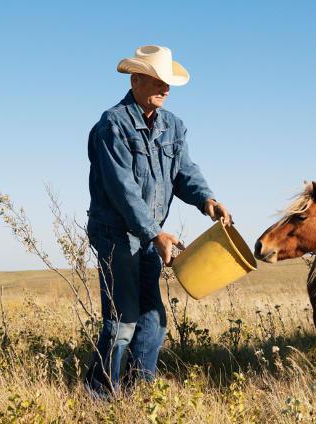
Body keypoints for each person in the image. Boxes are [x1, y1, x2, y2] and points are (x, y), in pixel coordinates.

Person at [85, 45, 231, 394]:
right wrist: (155, 234)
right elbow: (122, 189)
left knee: (154, 321)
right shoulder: (113, 125)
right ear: (136, 80)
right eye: (158, 81)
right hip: (115, 234)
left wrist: (206, 200)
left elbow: (184, 171)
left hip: (151, 237)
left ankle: (140, 390)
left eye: (169, 83)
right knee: (123, 321)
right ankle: (100, 395)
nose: (166, 89)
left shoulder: (173, 126)